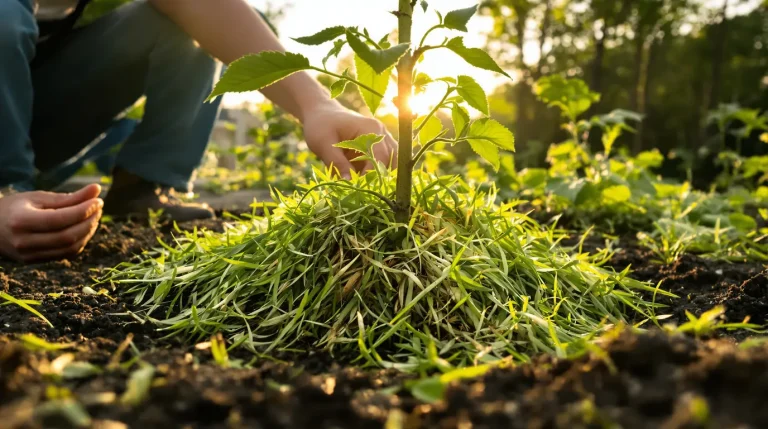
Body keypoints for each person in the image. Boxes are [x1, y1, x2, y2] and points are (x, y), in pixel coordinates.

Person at [0, 0, 398, 263]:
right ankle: (10, 188)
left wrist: (316, 103)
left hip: (36, 121)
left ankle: (143, 184)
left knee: (175, 24)